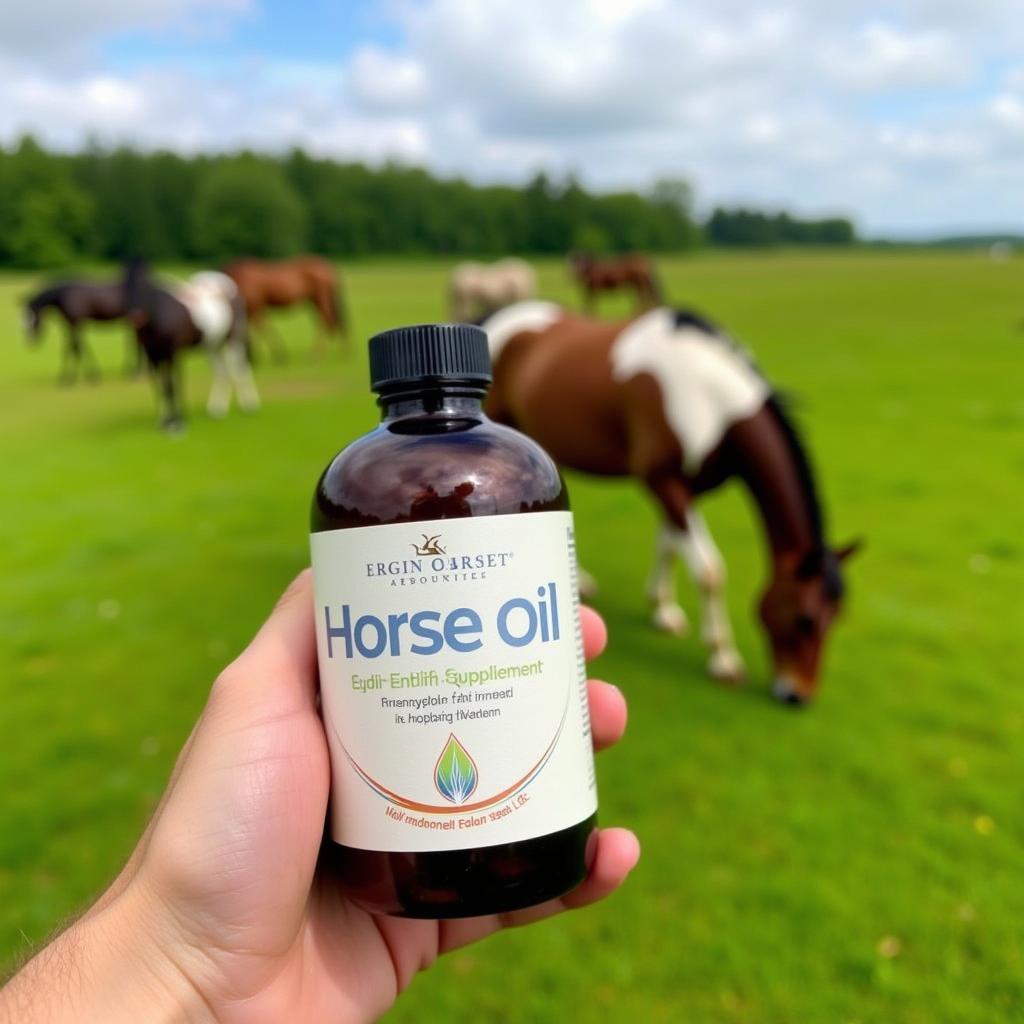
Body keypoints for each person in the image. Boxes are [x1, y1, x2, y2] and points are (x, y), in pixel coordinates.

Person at [1, 571, 639, 1023]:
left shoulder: (512, 474)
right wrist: (187, 966)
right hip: (365, 880)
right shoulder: (357, 491)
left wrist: (189, 978)